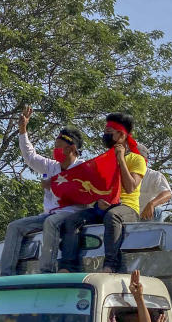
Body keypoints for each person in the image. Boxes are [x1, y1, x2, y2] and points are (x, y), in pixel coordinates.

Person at [0, 106, 85, 275]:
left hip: (72, 214)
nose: (55, 150)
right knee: (14, 226)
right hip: (49, 215)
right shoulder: (51, 166)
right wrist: (23, 130)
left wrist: (54, 185)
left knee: (50, 223)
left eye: (58, 147)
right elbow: (30, 157)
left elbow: (83, 194)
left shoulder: (83, 168)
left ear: (71, 148)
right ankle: (6, 275)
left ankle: (46, 272)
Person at [58, 113, 146, 273]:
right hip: (104, 206)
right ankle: (67, 266)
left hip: (127, 208)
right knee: (71, 221)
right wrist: (98, 201)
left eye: (109, 131)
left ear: (121, 135)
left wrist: (120, 159)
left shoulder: (136, 159)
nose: (105, 135)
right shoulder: (103, 160)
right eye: (105, 131)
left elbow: (131, 187)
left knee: (112, 217)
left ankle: (111, 265)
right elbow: (95, 188)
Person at [137, 148, 172, 221]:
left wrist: (152, 204)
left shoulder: (154, 175)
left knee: (157, 211)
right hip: (128, 215)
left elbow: (167, 193)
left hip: (146, 216)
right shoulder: (122, 174)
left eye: (138, 158)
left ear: (145, 161)